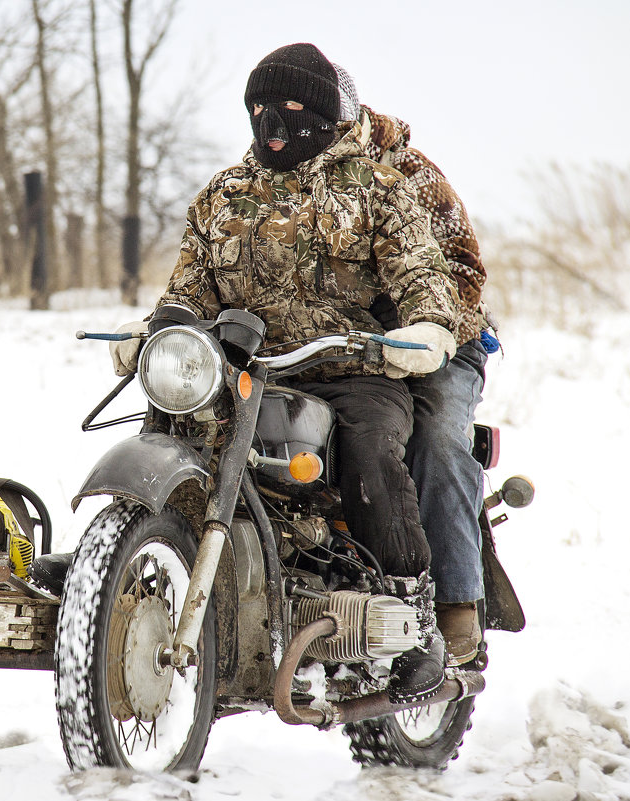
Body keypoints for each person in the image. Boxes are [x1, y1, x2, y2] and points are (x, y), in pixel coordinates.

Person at [108, 43, 460, 703]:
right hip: (239, 367)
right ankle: (132, 572)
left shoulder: (374, 187)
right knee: (170, 426)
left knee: (368, 450)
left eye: (290, 109)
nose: (271, 121)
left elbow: (422, 277)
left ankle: (414, 616)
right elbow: (189, 291)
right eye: (258, 108)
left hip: (348, 366)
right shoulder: (221, 194)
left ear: (322, 117)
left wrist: (425, 329)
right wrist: (155, 329)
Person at [336, 66, 494, 665]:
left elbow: (461, 270)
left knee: (434, 434)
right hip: (344, 348)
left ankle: (455, 601)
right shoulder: (283, 175)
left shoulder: (409, 172)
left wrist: (422, 328)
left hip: (440, 340)